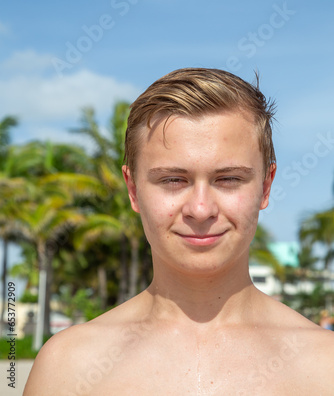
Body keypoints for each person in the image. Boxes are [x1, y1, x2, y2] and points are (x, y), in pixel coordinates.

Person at [24, 68, 334, 395]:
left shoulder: (324, 366)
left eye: (228, 179)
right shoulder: (68, 367)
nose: (200, 210)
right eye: (173, 180)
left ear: (265, 186)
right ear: (132, 189)